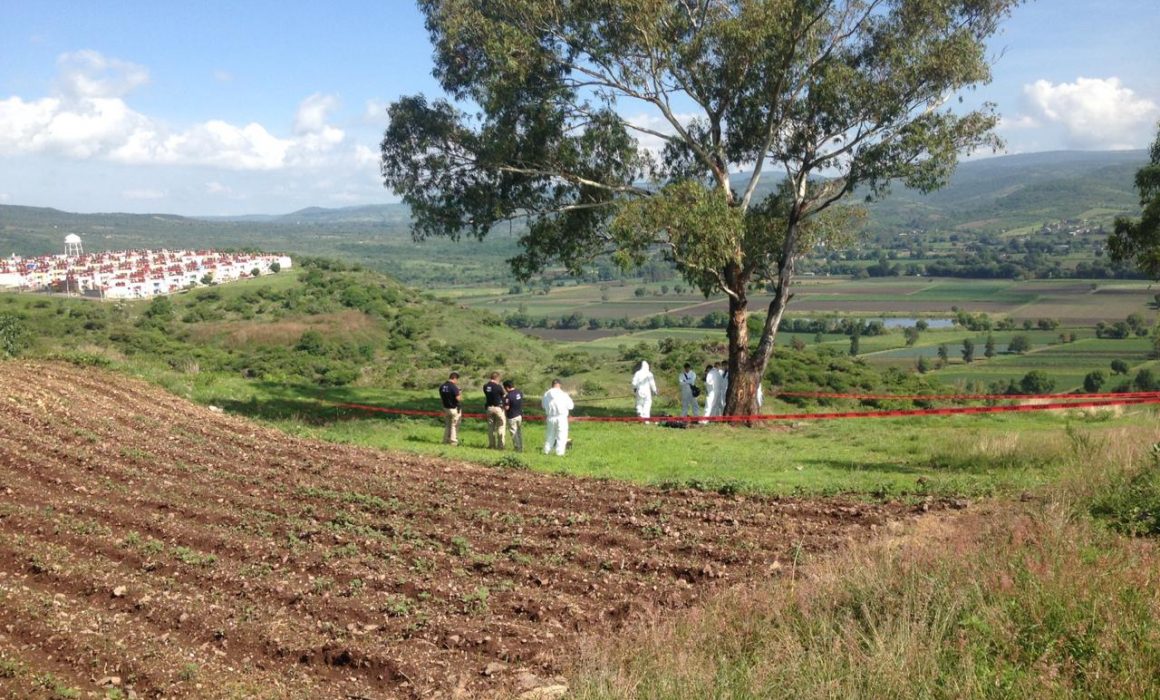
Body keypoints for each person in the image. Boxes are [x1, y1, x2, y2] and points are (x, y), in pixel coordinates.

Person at [541, 378, 574, 456]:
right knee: (561, 435)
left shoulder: (546, 394)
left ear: (552, 385)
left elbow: (543, 405)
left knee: (550, 435)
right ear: (560, 385)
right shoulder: (563, 394)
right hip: (561, 417)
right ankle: (559, 453)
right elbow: (571, 406)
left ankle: (546, 451)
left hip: (550, 417)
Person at [483, 371, 506, 449]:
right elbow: (504, 396)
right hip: (498, 408)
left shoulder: (485, 386)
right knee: (501, 426)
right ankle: (500, 446)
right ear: (497, 378)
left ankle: (492, 445)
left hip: (489, 408)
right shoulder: (498, 387)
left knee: (490, 427)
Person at [438, 371, 462, 445]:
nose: (456, 381)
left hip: (446, 408)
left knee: (448, 425)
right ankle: (453, 441)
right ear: (454, 378)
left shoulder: (442, 386)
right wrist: (460, 393)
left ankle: (445, 440)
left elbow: (441, 398)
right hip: (454, 408)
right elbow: (459, 399)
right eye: (456, 379)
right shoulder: (454, 387)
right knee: (454, 425)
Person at [503, 379, 524, 452]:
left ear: (507, 387)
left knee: (513, 433)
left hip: (512, 416)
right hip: (519, 415)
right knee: (518, 432)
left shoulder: (508, 396)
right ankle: (521, 447)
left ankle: (517, 449)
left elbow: (507, 407)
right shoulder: (519, 393)